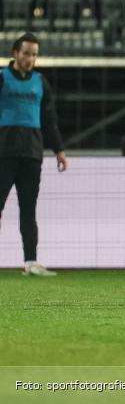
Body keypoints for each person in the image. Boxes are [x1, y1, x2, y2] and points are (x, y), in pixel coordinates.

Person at [0, 34, 67, 276]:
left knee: (28, 210)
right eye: (26, 53)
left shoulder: (41, 83)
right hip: (4, 154)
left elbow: (49, 120)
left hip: (31, 156)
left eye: (35, 54)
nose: (30, 58)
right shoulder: (2, 78)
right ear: (15, 53)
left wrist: (58, 150)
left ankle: (30, 262)